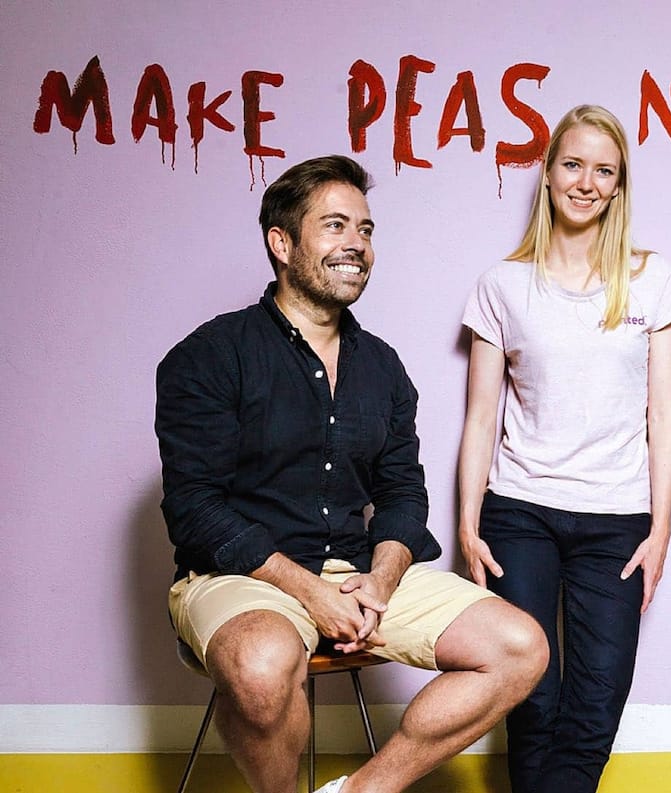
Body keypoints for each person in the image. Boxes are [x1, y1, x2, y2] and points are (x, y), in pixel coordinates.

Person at [155, 155, 548, 793]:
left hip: (358, 575)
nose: (356, 245)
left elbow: (402, 493)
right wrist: (309, 593)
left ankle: (363, 790)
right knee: (261, 663)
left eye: (365, 230)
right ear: (281, 244)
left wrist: (382, 581)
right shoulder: (209, 356)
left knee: (520, 645)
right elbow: (195, 508)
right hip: (243, 574)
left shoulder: (384, 368)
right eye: (335, 227)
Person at [457, 104, 671, 793]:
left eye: (603, 170)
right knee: (529, 690)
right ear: (547, 172)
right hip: (519, 511)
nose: (585, 182)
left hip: (618, 520)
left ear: (618, 186)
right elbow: (479, 418)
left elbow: (666, 415)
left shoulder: (653, 280)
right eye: (572, 164)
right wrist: (468, 527)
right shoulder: (501, 285)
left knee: (596, 700)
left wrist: (661, 526)